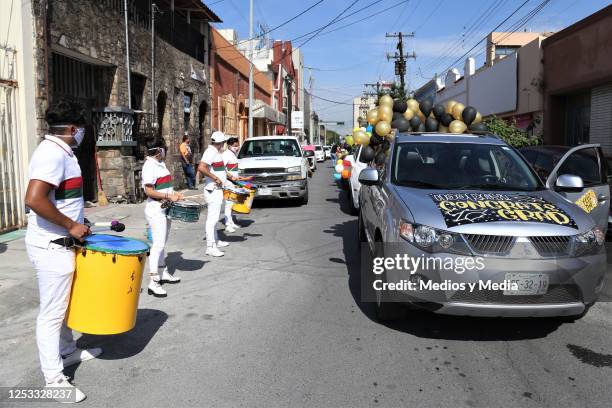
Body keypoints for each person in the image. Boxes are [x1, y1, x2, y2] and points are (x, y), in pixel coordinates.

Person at [24, 101, 101, 403]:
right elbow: (34, 199)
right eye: (81, 129)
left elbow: (62, 198)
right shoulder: (52, 153)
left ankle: (67, 350)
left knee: (66, 306)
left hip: (63, 242)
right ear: (72, 129)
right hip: (51, 246)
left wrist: (80, 222)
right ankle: (53, 379)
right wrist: (70, 225)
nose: (81, 133)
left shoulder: (62, 152)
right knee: (52, 314)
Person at [141, 139, 183, 297]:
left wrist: (175, 195)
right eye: (164, 148)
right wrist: (168, 196)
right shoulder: (149, 166)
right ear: (159, 150)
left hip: (165, 207)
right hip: (155, 209)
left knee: (162, 243)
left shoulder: (160, 163)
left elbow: (165, 186)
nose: (165, 150)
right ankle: (153, 281)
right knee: (157, 245)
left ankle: (163, 271)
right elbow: (149, 191)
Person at [198, 131, 230, 257]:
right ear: (221, 143)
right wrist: (215, 178)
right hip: (213, 189)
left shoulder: (215, 152)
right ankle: (210, 247)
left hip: (217, 189)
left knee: (215, 218)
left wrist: (229, 176)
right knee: (212, 219)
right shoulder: (210, 152)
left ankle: (215, 240)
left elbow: (219, 169)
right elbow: (201, 167)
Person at [221, 137, 252, 232]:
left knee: (232, 204)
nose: (237, 147)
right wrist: (231, 177)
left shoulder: (233, 154)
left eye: (238, 145)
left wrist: (239, 178)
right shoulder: (226, 155)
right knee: (228, 204)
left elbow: (232, 169)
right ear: (229, 146)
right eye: (235, 146)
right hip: (228, 182)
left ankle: (230, 222)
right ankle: (227, 224)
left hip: (234, 182)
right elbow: (222, 169)